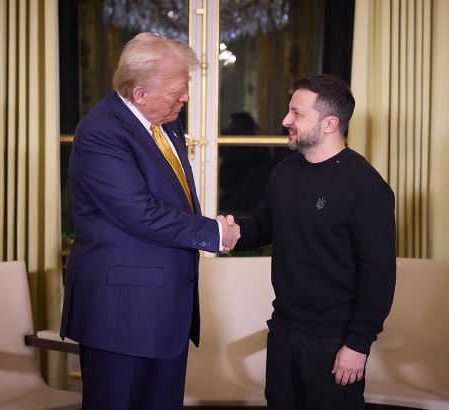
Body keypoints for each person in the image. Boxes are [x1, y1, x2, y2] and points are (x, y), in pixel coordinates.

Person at [59, 32, 240, 410]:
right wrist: (213, 232)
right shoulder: (100, 131)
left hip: (167, 310)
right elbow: (138, 212)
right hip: (121, 313)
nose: (185, 97)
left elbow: (172, 199)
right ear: (139, 94)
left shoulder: (166, 122)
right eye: (177, 90)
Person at [226, 74, 396, 409]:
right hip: (283, 329)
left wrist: (358, 344)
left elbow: (379, 276)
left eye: (297, 113)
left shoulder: (367, 187)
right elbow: (264, 225)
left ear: (330, 123)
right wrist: (230, 232)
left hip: (336, 340)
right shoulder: (284, 171)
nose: (285, 120)